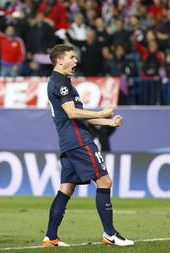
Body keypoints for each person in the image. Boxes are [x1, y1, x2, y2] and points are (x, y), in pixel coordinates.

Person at [42, 44, 134, 247]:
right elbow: (72, 113)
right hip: (79, 142)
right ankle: (110, 234)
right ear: (60, 60)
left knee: (66, 188)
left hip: (69, 143)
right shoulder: (60, 83)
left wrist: (108, 122)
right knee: (105, 182)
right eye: (72, 57)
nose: (76, 61)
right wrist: (102, 113)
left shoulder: (62, 83)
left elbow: (80, 117)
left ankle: (50, 236)